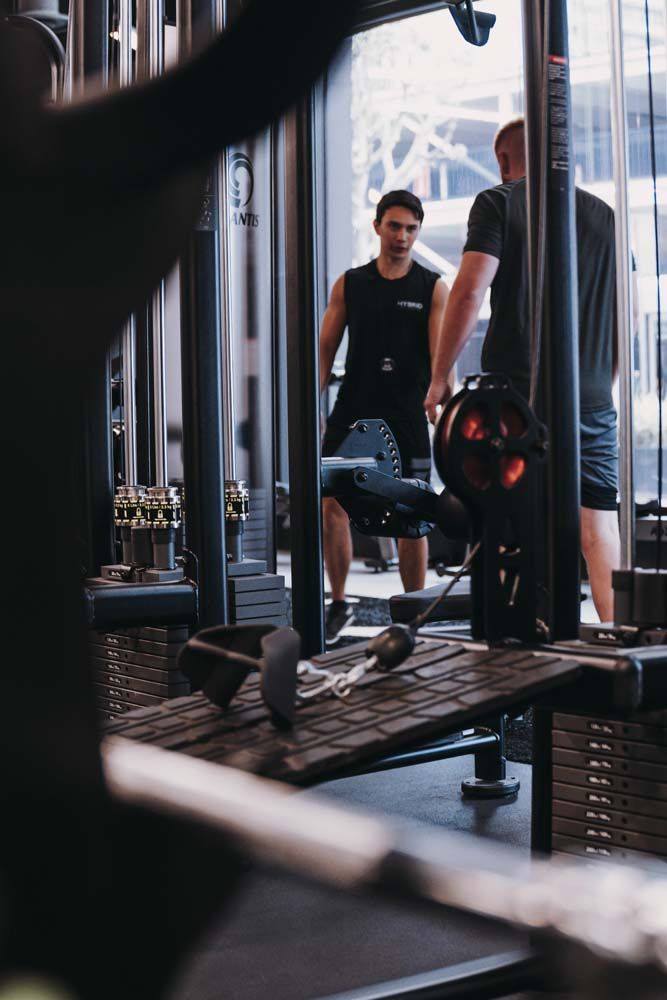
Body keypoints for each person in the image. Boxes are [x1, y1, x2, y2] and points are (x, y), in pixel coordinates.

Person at [424, 117, 626, 623]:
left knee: (507, 523)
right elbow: (630, 312)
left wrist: (440, 376)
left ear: (504, 161)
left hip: (519, 393)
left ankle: (510, 656)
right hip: (594, 396)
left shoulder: (499, 201)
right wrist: (604, 382)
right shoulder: (606, 216)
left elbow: (469, 290)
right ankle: (624, 648)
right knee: (597, 526)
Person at [320, 189, 449, 642]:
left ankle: (411, 616)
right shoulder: (351, 284)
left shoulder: (432, 286)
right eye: (394, 226)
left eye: (411, 229)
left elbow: (441, 358)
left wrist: (439, 397)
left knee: (412, 513)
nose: (402, 236)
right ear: (377, 226)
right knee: (331, 504)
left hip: (407, 414)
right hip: (353, 409)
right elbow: (323, 352)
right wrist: (308, 409)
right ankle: (338, 603)